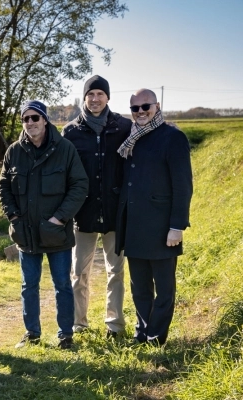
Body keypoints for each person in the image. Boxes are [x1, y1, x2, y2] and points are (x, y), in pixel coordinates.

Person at [0, 100, 88, 349]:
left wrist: (59, 218)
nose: (30, 123)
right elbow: (3, 185)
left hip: (57, 232)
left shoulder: (65, 149)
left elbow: (80, 186)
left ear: (45, 120)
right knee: (29, 286)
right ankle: (32, 334)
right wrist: (13, 216)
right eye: (25, 119)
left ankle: (65, 335)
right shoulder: (14, 151)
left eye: (34, 118)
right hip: (25, 233)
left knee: (62, 285)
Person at [115, 89, 193, 346]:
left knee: (164, 289)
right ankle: (143, 331)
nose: (140, 112)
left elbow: (183, 186)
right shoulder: (130, 138)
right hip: (134, 228)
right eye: (135, 108)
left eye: (145, 106)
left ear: (156, 106)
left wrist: (176, 226)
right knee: (140, 289)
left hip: (162, 228)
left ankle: (156, 337)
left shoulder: (173, 137)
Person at [62, 75, 132, 338]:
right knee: (79, 273)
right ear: (84, 97)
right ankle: (79, 324)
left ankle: (114, 325)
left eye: (100, 94)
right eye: (90, 95)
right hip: (83, 213)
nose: (95, 99)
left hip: (115, 211)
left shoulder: (124, 127)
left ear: (108, 97)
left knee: (116, 271)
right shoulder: (71, 131)